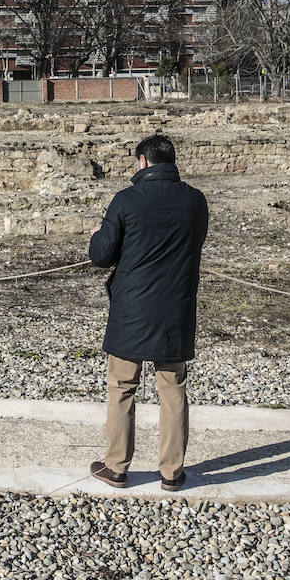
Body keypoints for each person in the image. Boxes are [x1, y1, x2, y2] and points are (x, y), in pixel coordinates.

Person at [87, 134, 209, 491]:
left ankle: (117, 466)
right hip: (176, 307)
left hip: (132, 309)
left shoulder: (126, 200)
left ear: (142, 161)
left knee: (122, 387)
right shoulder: (195, 201)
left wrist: (98, 233)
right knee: (173, 391)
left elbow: (101, 255)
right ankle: (172, 472)